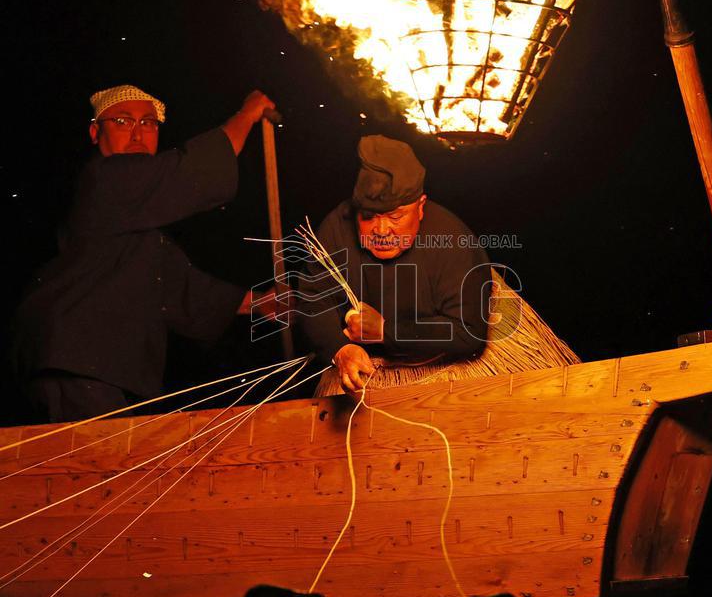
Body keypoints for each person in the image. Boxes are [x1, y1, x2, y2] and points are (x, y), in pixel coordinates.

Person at [13, 83, 277, 422]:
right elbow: (188, 173)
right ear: (95, 132)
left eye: (148, 123)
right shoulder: (104, 181)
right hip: (73, 359)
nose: (138, 134)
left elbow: (175, 286)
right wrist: (247, 115)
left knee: (111, 465)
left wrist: (263, 303)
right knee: (97, 464)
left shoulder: (139, 226)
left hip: (93, 367)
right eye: (123, 122)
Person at [297, 134, 492, 394]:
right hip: (366, 375)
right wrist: (339, 349)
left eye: (395, 216)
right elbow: (313, 299)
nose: (381, 230)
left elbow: (468, 332)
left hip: (443, 375)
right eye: (368, 217)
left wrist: (386, 331)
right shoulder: (335, 229)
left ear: (420, 207)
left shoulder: (453, 240)